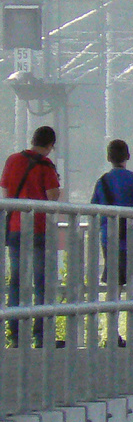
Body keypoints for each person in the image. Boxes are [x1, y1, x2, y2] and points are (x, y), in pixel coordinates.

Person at [2, 125, 62, 348]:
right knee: (41, 282)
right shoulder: (46, 166)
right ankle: (41, 335)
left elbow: (6, 192)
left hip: (15, 228)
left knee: (16, 280)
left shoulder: (13, 160)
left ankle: (15, 334)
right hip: (38, 229)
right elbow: (52, 196)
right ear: (50, 145)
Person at [91, 139, 133, 292]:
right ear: (128, 156)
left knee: (114, 287)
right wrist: (132, 228)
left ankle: (113, 315)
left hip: (110, 241)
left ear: (109, 158)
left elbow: (93, 211)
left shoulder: (102, 182)